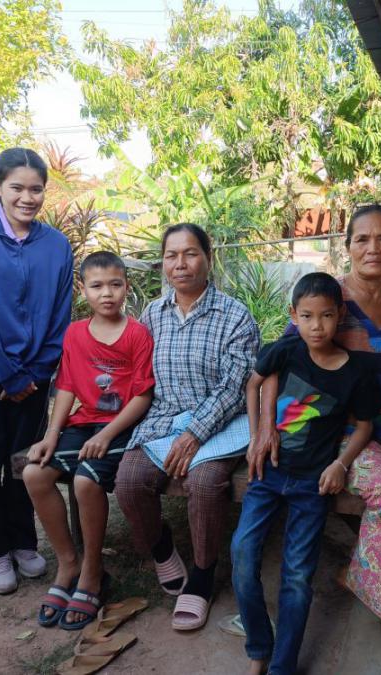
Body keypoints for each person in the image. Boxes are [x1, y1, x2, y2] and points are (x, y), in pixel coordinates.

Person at [252, 204, 381, 629]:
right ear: (347, 246)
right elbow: (278, 364)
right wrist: (266, 429)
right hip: (331, 435)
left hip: (380, 428)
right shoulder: (328, 301)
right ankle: (374, 586)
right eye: (362, 239)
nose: (373, 248)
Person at [232, 273, 381, 675]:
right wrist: (257, 436)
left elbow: (365, 426)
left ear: (340, 314)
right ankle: (258, 645)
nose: (317, 326)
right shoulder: (285, 350)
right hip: (267, 473)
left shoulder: (356, 372)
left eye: (326, 315)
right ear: (293, 315)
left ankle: (282, 666)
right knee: (242, 552)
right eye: (308, 316)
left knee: (297, 576)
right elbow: (253, 385)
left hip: (312, 484)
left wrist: (340, 464)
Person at [115, 223, 260, 631]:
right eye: (171, 255)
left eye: (191, 253)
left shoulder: (235, 316)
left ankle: (202, 573)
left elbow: (235, 387)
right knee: (129, 482)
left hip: (219, 423)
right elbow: (139, 375)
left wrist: (194, 433)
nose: (180, 263)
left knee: (205, 482)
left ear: (208, 259)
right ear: (163, 262)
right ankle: (162, 548)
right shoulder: (152, 314)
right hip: (162, 419)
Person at [0, 147, 74, 594]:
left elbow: (61, 313)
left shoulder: (56, 245)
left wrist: (36, 372)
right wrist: (8, 375)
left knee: (25, 461)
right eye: (17, 187)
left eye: (36, 189)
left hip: (34, 373)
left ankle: (23, 542)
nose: (27, 197)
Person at [22, 251, 154, 630]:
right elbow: (66, 386)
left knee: (85, 481)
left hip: (123, 427)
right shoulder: (75, 333)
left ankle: (93, 570)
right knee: (34, 474)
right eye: (97, 286)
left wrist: (108, 434)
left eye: (115, 284)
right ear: (83, 290)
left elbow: (143, 396)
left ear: (126, 287)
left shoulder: (137, 334)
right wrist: (51, 435)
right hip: (85, 422)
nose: (106, 293)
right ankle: (69, 562)